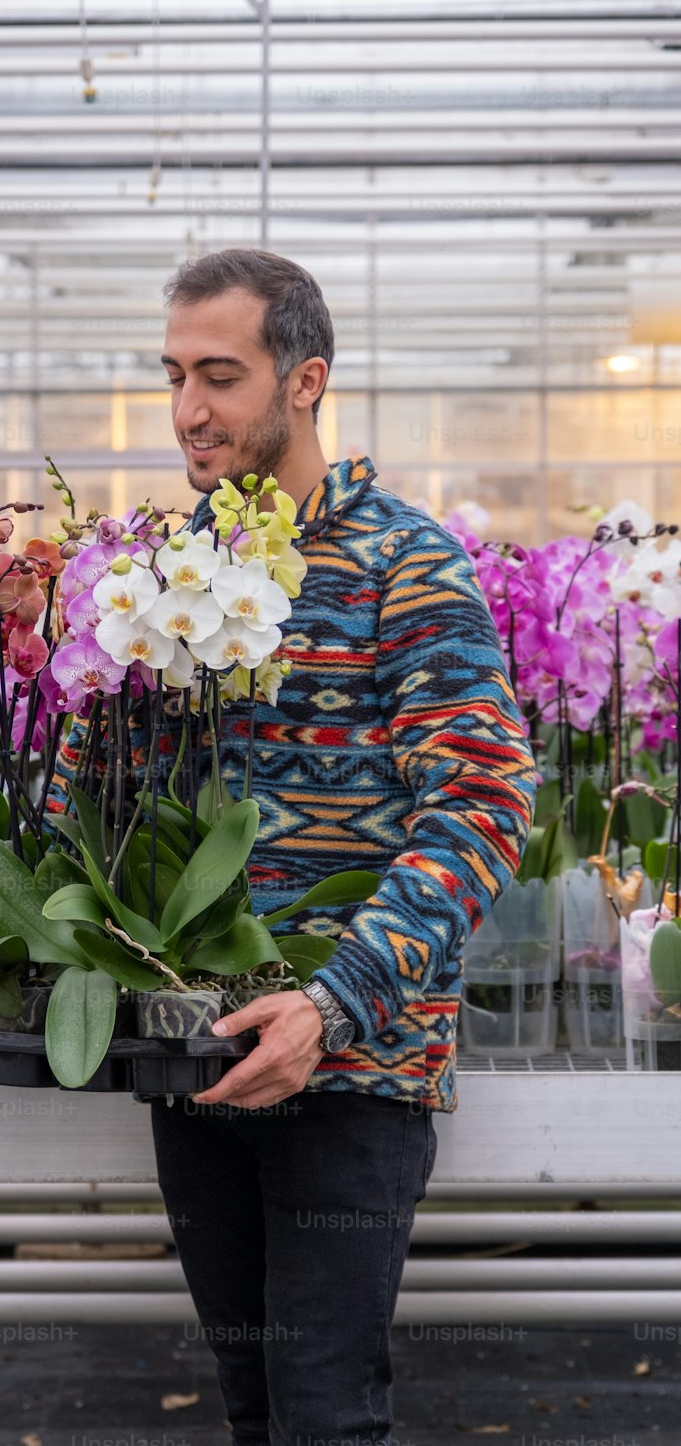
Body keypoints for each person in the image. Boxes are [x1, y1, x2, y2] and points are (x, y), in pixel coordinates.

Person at [140, 248, 537, 1446]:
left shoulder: (401, 564)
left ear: (305, 381)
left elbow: (482, 801)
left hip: (349, 1067)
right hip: (200, 1049)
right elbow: (126, 806)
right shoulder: (174, 568)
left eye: (221, 374)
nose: (188, 410)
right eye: (172, 375)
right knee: (254, 1407)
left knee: (323, 1410)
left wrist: (335, 1002)